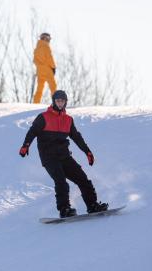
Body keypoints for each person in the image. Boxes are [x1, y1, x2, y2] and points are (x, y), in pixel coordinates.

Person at [19, 90, 108, 218]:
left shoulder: (68, 120)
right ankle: (64, 209)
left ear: (65, 102)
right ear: (54, 101)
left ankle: (92, 205)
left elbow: (76, 137)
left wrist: (87, 151)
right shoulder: (43, 117)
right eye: (58, 101)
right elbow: (32, 132)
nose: (60, 103)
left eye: (62, 101)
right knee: (61, 182)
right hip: (49, 158)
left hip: (65, 156)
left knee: (83, 180)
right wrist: (26, 145)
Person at [33, 32, 57, 104]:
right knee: (53, 86)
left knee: (39, 88)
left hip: (39, 70)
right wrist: (53, 67)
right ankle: (56, 103)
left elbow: (34, 60)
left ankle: (35, 103)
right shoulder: (45, 46)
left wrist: (39, 66)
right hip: (47, 69)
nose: (49, 41)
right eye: (48, 38)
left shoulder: (37, 48)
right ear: (45, 38)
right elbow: (50, 57)